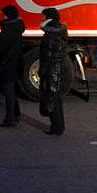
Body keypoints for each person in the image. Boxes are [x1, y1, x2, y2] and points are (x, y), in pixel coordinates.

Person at [38, 7, 68, 136]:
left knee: (51, 99)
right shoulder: (60, 30)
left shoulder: (50, 34)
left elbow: (47, 56)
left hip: (51, 70)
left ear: (48, 18)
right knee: (56, 98)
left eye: (43, 16)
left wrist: (42, 70)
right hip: (58, 68)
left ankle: (56, 128)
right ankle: (59, 126)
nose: (41, 18)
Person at [0, 5, 25, 127]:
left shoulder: (8, 29)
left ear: (8, 15)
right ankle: (16, 115)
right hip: (15, 62)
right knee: (11, 90)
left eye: (4, 14)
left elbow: (0, 48)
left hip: (7, 63)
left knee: (8, 91)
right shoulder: (17, 27)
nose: (3, 16)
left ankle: (10, 119)